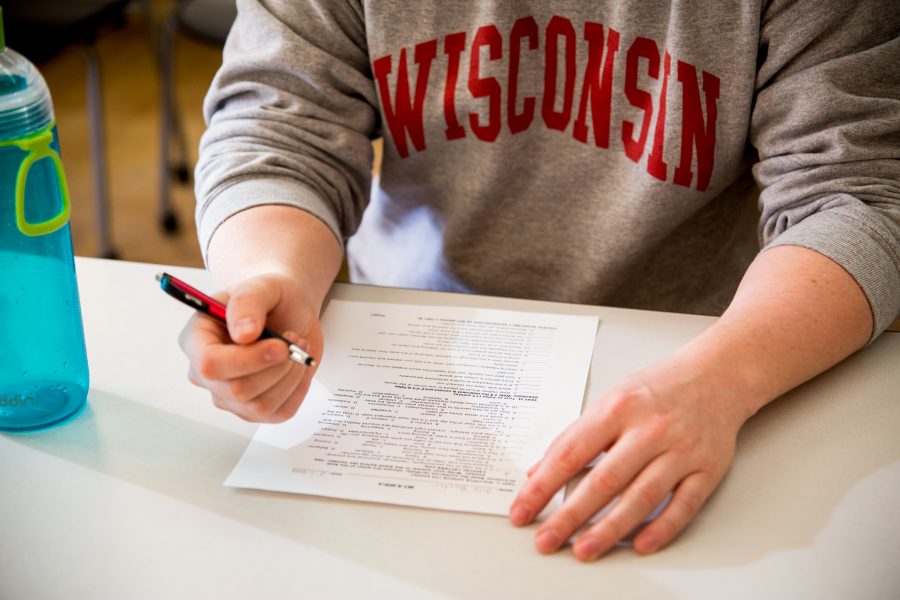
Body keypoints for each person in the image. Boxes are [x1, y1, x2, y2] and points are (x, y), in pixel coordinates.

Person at [181, 0, 900, 561]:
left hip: (712, 351)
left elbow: (858, 193)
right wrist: (265, 273)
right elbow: (278, 128)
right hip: (404, 347)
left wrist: (725, 379)